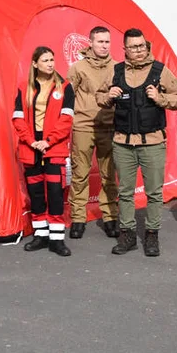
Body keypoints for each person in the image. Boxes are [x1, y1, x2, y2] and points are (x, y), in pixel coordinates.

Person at [95, 28, 177, 257]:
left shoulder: (159, 71)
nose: (138, 51)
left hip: (152, 143)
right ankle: (127, 235)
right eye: (133, 47)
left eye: (141, 46)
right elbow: (98, 95)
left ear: (147, 47)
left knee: (154, 193)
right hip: (122, 142)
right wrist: (108, 97)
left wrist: (160, 98)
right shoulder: (115, 72)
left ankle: (151, 235)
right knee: (125, 192)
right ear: (124, 48)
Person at [13, 46, 75, 257]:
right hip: (31, 149)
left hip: (54, 148)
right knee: (36, 194)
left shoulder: (65, 87)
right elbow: (18, 118)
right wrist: (32, 141)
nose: (50, 63)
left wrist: (48, 141)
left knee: (56, 194)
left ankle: (57, 240)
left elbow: (66, 120)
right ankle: (41, 235)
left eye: (52, 59)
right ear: (35, 63)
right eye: (46, 60)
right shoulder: (24, 88)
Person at [66, 26, 120, 240]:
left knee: (109, 175)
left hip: (109, 125)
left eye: (107, 42)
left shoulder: (118, 68)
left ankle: (110, 217)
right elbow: (67, 97)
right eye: (100, 42)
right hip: (83, 125)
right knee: (80, 174)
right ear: (90, 43)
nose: (104, 46)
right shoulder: (78, 68)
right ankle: (78, 218)